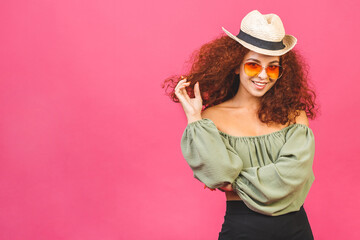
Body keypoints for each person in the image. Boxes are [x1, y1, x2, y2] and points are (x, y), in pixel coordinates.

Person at [162, 10, 317, 240]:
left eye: (272, 67)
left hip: (296, 230)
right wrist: (194, 117)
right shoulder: (210, 119)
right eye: (253, 65)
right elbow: (220, 175)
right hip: (242, 230)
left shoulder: (295, 116)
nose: (263, 75)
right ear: (235, 65)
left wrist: (234, 181)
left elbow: (292, 179)